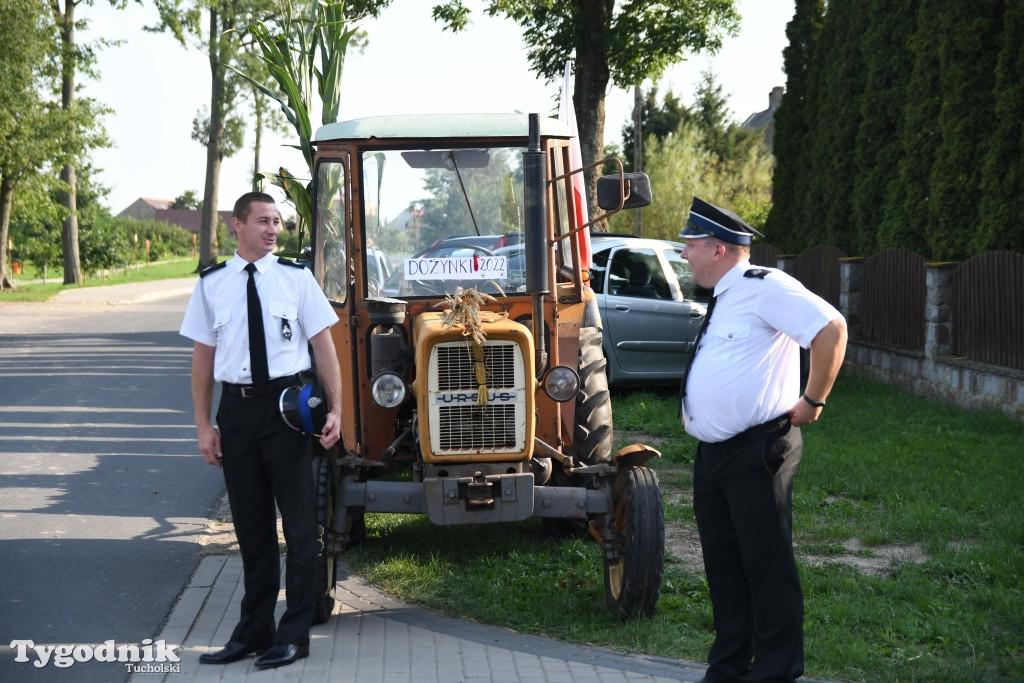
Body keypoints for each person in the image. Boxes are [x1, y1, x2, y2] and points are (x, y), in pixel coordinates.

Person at [678, 197, 848, 683]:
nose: (684, 254)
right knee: (725, 569)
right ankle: (729, 668)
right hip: (714, 456)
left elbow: (831, 328)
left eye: (690, 245)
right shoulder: (727, 296)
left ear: (717, 248)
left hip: (758, 450)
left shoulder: (766, 286)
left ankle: (775, 672)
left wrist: (813, 401)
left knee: (767, 567)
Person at [179, 192, 342, 670]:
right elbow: (202, 362)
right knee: (251, 529)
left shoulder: (296, 279)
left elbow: (324, 348)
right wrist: (203, 424)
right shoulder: (211, 285)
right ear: (238, 225)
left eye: (278, 222)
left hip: (287, 412)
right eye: (264, 221)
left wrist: (337, 411)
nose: (274, 230)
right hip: (237, 413)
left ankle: (294, 634)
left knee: (298, 525)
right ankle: (254, 632)